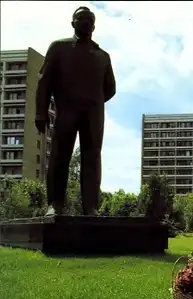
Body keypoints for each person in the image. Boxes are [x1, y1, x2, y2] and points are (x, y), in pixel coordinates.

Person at [36, 6, 116, 216]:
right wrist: (41, 112)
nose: (86, 22)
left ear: (94, 25)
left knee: (92, 158)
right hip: (66, 110)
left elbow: (110, 89)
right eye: (81, 18)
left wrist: (92, 101)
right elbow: (44, 82)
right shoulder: (59, 48)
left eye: (90, 19)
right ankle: (55, 204)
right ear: (72, 23)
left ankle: (91, 207)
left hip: (93, 114)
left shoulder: (102, 56)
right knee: (60, 157)